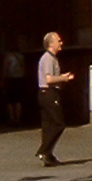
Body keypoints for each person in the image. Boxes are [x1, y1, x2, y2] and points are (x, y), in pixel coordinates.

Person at [35, 32, 72, 166]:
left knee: (48, 125)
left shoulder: (52, 58)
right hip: (48, 93)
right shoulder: (48, 58)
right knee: (58, 124)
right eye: (58, 41)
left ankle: (48, 155)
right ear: (51, 44)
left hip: (47, 93)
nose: (61, 43)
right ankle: (43, 150)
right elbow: (48, 79)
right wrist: (64, 78)